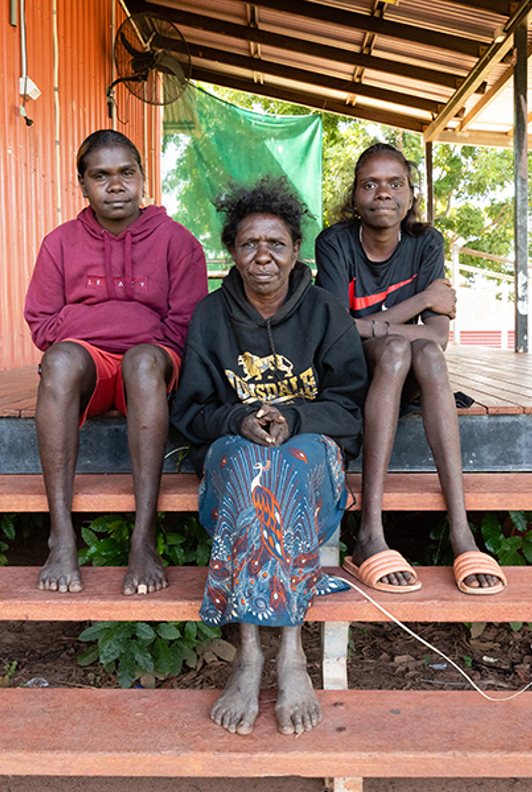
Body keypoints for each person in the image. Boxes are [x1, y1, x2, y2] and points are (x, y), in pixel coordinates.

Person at [171, 176, 367, 736]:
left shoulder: (326, 312)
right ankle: (260, 653)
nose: (264, 256)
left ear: (295, 250)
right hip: (233, 465)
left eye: (276, 244)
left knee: (281, 466)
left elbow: (350, 407)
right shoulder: (211, 316)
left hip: (311, 463)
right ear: (232, 251)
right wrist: (238, 419)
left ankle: (283, 654)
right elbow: (189, 413)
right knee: (258, 466)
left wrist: (294, 418)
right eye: (250, 244)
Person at [315, 142, 506, 595]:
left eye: (395, 183)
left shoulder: (426, 243)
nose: (383, 193)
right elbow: (337, 330)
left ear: (410, 195)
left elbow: (437, 336)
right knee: (400, 349)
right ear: (355, 196)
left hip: (405, 371)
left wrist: (372, 325)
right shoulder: (336, 242)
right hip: (351, 373)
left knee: (425, 355)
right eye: (371, 184)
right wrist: (421, 301)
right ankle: (369, 533)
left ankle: (461, 530)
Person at [24, 129, 207, 596]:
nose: (115, 185)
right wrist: (133, 320)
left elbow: (185, 328)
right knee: (61, 360)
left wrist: (87, 318)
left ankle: (143, 538)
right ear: (82, 184)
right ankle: (61, 534)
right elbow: (45, 328)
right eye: (100, 176)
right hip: (91, 369)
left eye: (126, 173)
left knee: (144, 362)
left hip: (151, 370)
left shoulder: (177, 242)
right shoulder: (60, 243)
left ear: (143, 177)